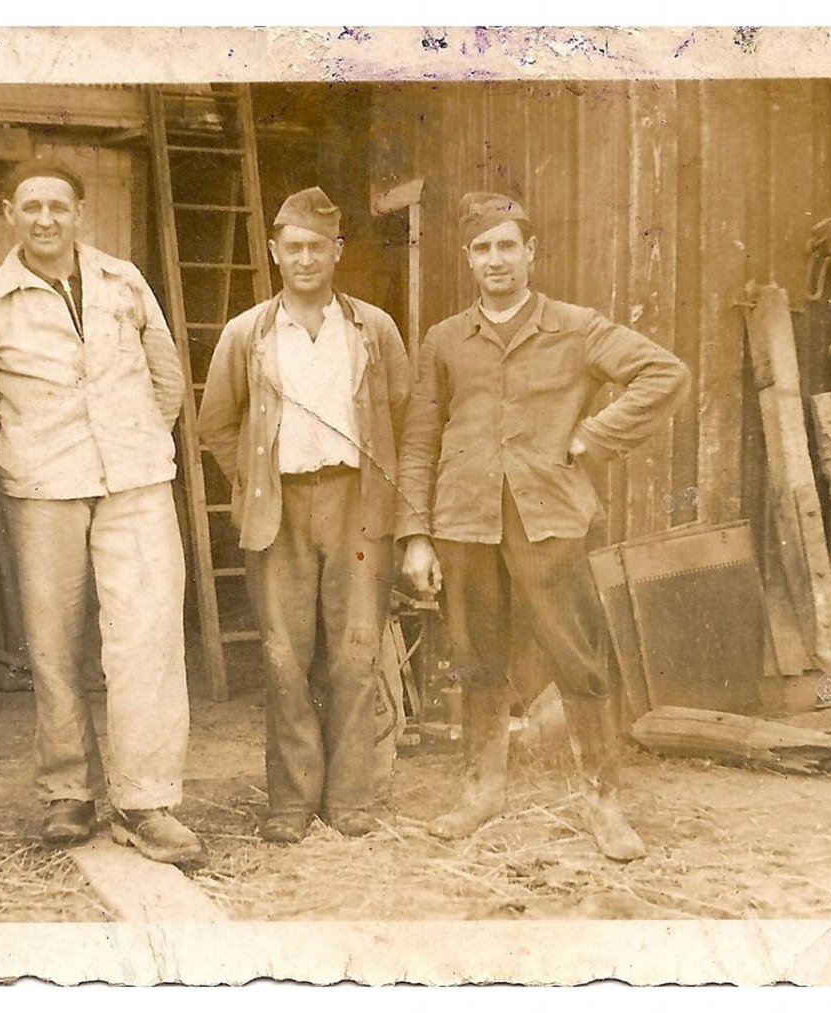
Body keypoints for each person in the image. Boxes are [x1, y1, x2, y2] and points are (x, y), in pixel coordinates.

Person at [395, 193, 691, 862]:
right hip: (464, 520)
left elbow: (664, 373)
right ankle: (482, 789)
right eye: (482, 248)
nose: (495, 259)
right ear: (468, 258)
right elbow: (418, 438)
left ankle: (602, 800)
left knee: (577, 656)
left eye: (507, 245)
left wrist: (593, 436)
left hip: (549, 518)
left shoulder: (577, 328)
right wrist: (415, 533)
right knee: (475, 656)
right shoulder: (445, 340)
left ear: (530, 252)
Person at [0, 160, 201, 865]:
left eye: (58, 206)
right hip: (42, 487)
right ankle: (68, 791)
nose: (45, 219)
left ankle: (145, 801)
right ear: (9, 213)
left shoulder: (124, 282)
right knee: (53, 644)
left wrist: (137, 440)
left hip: (136, 481)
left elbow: (166, 377)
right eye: (30, 206)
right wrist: (15, 470)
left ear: (79, 212)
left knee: (146, 637)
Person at [197, 187, 412, 844]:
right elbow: (215, 422)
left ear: (337, 250)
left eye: (318, 246)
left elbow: (402, 414)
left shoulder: (373, 329)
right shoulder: (247, 333)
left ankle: (350, 797)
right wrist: (255, 481)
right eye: (293, 247)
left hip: (357, 505)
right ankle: (290, 802)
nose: (306, 258)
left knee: (355, 651)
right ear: (274, 252)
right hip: (279, 508)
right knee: (284, 656)